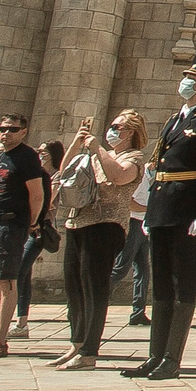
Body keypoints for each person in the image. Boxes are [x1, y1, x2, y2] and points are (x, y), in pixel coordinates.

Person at [127, 53, 196, 380]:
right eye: (186, 77)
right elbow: (159, 167)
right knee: (161, 285)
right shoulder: (174, 120)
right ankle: (155, 355)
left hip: (187, 212)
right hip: (161, 209)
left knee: (182, 284)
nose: (185, 82)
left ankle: (172, 357)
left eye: (192, 79)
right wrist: (149, 211)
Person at [54, 109, 147, 370]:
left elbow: (119, 176)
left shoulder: (134, 157)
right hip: (78, 222)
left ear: (131, 132)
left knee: (94, 287)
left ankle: (89, 352)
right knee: (74, 286)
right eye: (112, 126)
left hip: (106, 225)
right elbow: (65, 172)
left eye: (118, 127)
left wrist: (97, 148)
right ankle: (76, 343)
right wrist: (77, 143)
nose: (112, 131)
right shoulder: (99, 155)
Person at [0, 115, 46, 358]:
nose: (7, 133)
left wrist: (31, 222)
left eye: (13, 129)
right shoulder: (1, 156)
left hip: (12, 224)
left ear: (24, 132)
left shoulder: (27, 156)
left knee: (7, 281)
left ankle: (0, 340)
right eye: (3, 129)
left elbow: (36, 193)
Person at [12, 137, 64, 338]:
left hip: (39, 229)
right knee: (23, 274)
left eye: (43, 152)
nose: (39, 155)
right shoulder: (34, 173)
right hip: (23, 226)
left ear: (52, 155)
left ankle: (15, 319)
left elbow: (47, 202)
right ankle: (21, 322)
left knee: (19, 271)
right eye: (38, 151)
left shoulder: (56, 176)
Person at [114, 158, 153, 328]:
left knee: (143, 270)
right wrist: (150, 209)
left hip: (144, 224)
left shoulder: (152, 179)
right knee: (121, 267)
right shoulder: (141, 176)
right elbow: (129, 202)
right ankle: (92, 300)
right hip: (134, 223)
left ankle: (138, 312)